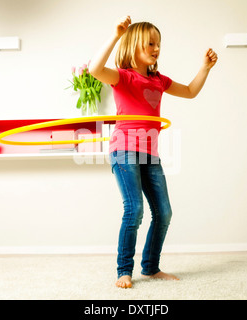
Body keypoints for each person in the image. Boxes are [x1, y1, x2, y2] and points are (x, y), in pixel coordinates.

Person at [89, 16, 218, 289]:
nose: (156, 48)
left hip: (150, 153)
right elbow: (94, 69)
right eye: (150, 43)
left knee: (164, 212)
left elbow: (191, 91)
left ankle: (150, 267)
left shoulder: (159, 80)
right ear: (133, 46)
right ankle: (124, 270)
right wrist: (115, 36)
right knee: (134, 209)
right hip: (124, 149)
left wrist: (205, 67)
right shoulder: (123, 77)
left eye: (158, 43)